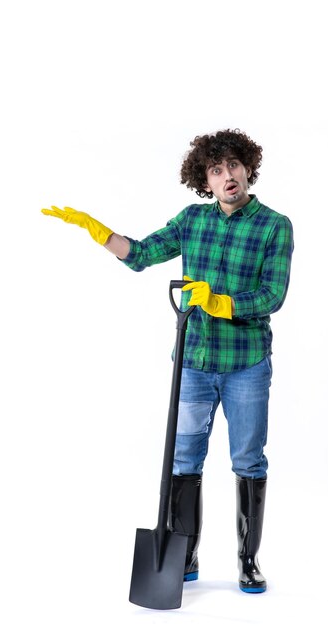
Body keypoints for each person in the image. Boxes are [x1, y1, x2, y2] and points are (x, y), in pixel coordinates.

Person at [42, 128, 294, 593]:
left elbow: (273, 295)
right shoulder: (192, 220)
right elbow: (140, 255)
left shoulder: (275, 225)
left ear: (247, 168)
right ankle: (185, 552)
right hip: (194, 363)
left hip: (246, 364)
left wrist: (220, 303)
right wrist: (98, 231)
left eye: (233, 165)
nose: (227, 176)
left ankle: (247, 559)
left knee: (248, 460)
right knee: (184, 459)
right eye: (216, 170)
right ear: (206, 180)